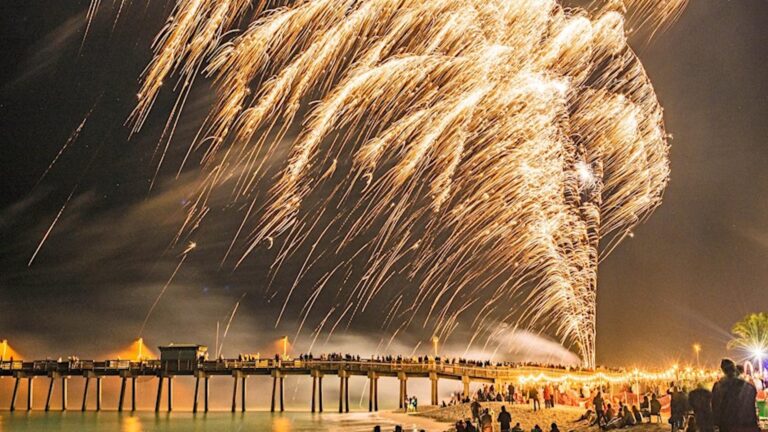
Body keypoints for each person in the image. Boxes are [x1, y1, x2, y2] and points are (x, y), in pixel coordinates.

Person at [712, 358, 760, 432]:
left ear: (723, 370)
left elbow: (715, 407)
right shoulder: (749, 386)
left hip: (727, 426)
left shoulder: (718, 387)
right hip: (748, 426)